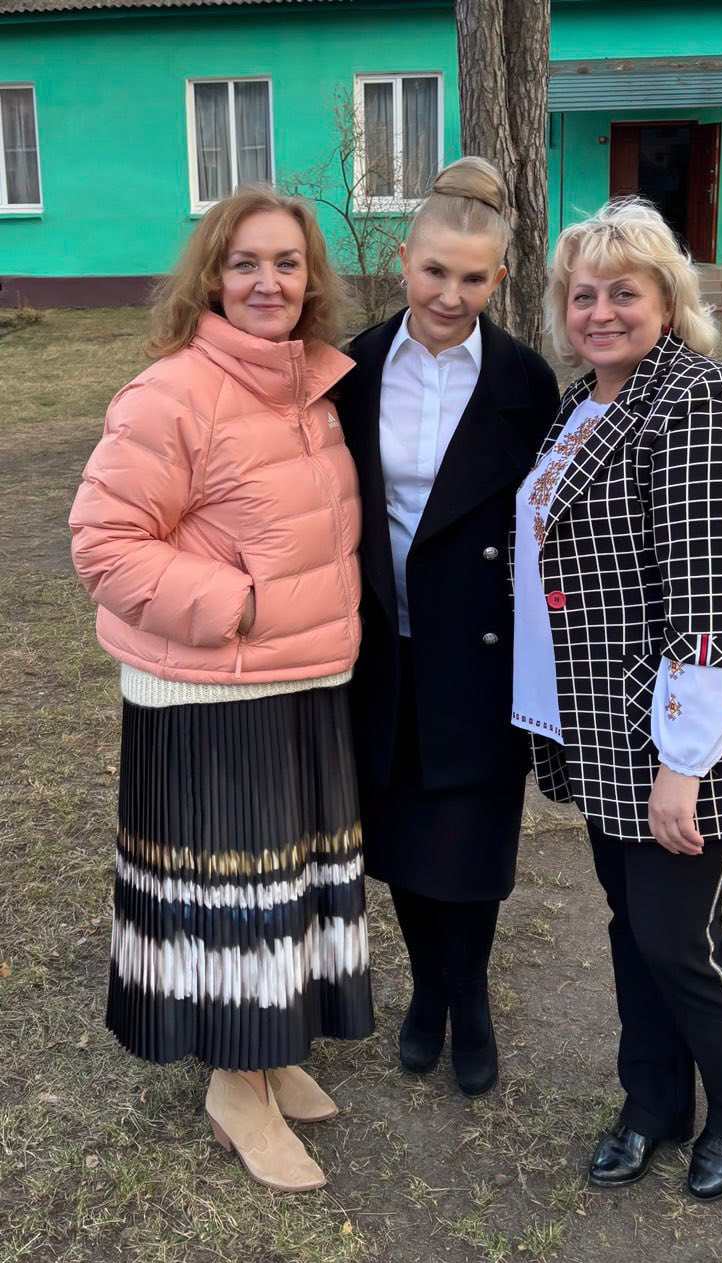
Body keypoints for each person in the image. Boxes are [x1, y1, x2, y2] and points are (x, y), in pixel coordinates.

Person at [512, 199, 722, 1201]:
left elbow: (713, 598)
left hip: (699, 724)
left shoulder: (697, 402)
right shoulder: (583, 405)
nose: (601, 312)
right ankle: (650, 1105)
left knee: (675, 935)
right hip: (609, 723)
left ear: (667, 300)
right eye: (583, 295)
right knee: (630, 923)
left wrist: (681, 767)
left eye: (624, 292)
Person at [69, 188, 373, 1193]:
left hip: (302, 676)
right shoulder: (172, 393)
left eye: (287, 262)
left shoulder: (308, 386)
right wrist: (236, 605)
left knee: (287, 884)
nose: (267, 282)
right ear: (212, 277)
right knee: (241, 894)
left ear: (311, 278)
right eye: (245, 263)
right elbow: (103, 543)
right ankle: (237, 1088)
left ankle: (270, 1052)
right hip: (213, 692)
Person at [339, 158, 559, 1097]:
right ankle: (427, 990)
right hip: (382, 648)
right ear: (403, 259)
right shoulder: (351, 368)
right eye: (434, 271)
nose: (449, 295)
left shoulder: (525, 381)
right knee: (399, 839)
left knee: (469, 844)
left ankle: (469, 997)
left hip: (480, 654)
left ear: (499, 278)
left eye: (473, 278)